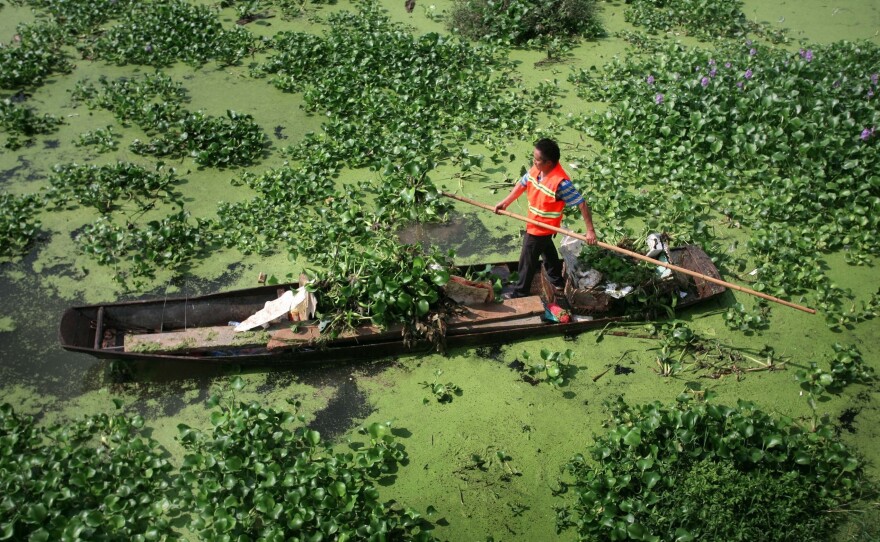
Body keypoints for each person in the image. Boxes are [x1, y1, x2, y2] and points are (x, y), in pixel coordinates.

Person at [494, 138, 597, 299]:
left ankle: (520, 292)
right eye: (533, 158)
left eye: (537, 160)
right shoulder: (537, 170)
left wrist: (590, 231)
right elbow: (522, 184)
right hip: (536, 222)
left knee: (527, 260)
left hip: (541, 228)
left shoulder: (561, 184)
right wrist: (505, 203)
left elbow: (581, 204)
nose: (534, 162)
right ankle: (557, 280)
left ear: (548, 163)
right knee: (547, 251)